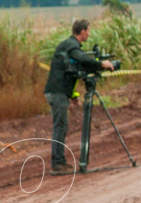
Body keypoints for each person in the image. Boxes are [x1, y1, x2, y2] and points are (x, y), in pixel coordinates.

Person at [43, 19, 113, 175]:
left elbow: (71, 71)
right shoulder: (71, 46)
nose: (89, 34)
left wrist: (73, 95)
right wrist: (102, 64)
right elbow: (82, 58)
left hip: (60, 92)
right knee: (60, 127)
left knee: (62, 127)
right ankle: (57, 164)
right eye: (88, 30)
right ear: (82, 32)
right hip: (57, 93)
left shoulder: (69, 47)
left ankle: (59, 162)